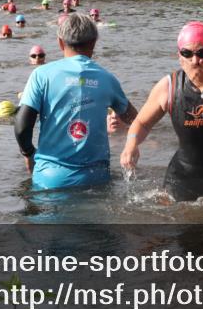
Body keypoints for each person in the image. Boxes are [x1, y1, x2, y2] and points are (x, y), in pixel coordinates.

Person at [120, 21, 203, 202]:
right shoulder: (169, 85)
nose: (195, 61)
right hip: (181, 180)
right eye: (187, 54)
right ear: (179, 56)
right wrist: (131, 144)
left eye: (202, 53)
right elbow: (141, 123)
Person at [15, 14, 137, 190]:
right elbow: (136, 120)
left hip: (50, 180)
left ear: (60, 42)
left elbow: (21, 125)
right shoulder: (107, 79)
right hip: (96, 179)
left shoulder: (41, 75)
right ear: (94, 43)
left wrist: (28, 153)